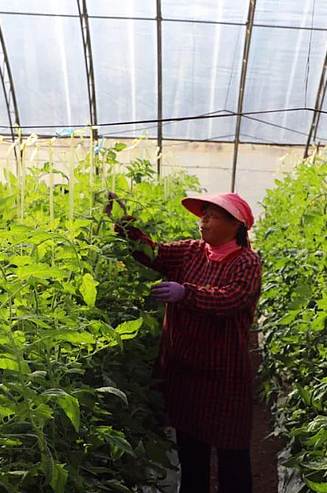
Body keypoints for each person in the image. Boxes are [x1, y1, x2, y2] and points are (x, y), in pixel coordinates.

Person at [110, 192, 261, 493]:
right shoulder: (190, 251)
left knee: (231, 453)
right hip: (183, 370)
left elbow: (231, 298)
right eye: (203, 214)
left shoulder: (247, 261)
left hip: (222, 374)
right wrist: (125, 224)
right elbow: (152, 253)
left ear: (235, 225)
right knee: (191, 452)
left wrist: (186, 293)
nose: (203, 221)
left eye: (212, 216)